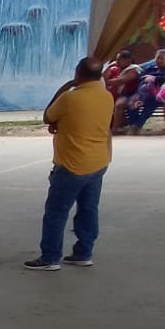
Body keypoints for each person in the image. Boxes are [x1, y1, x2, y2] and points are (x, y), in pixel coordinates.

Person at [24, 57, 112, 271]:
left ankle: (50, 257)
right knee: (88, 209)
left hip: (73, 164)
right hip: (98, 161)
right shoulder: (107, 96)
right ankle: (84, 253)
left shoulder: (70, 98)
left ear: (78, 74)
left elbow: (47, 116)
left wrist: (66, 87)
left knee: (56, 211)